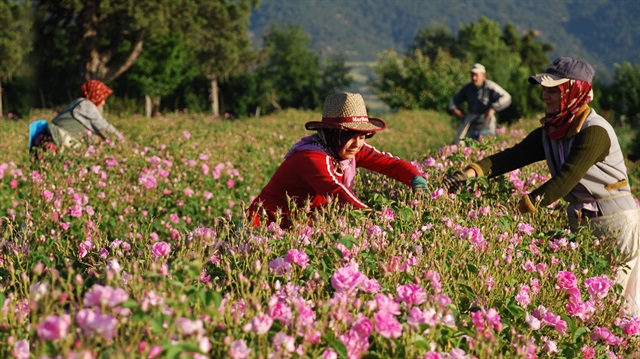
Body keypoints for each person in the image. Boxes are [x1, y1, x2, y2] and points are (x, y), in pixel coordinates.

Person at [442, 57, 640, 315]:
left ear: (574, 91)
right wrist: (468, 173)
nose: (545, 96)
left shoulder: (594, 131)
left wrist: (514, 212)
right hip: (584, 222)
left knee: (611, 307)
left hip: (615, 224)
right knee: (589, 304)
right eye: (544, 89)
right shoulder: (553, 130)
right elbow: (512, 156)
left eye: (553, 90)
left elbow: (565, 179)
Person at [248, 92, 428, 229]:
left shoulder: (348, 149)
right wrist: (372, 216)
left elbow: (390, 164)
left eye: (363, 135)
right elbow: (335, 191)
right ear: (330, 133)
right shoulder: (310, 158)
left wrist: (416, 179)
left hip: (296, 229)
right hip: (262, 227)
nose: (358, 143)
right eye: (349, 135)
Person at [29, 80, 124, 154]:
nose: (103, 103)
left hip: (53, 138)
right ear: (95, 95)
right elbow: (104, 127)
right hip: (58, 140)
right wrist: (123, 143)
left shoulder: (78, 102)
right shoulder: (86, 105)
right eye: (102, 99)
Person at [449, 63, 512, 144]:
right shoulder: (467, 88)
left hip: (487, 126)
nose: (473, 78)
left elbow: (507, 97)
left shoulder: (490, 86)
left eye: (476, 75)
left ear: (483, 76)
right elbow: (454, 100)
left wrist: (493, 108)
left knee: (487, 148)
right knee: (465, 147)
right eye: (472, 75)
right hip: (471, 126)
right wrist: (454, 109)